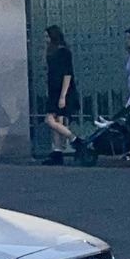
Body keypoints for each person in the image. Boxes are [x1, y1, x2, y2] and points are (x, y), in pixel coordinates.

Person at [41, 24, 79, 165]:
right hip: (53, 90)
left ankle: (74, 139)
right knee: (57, 122)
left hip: (63, 91)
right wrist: (45, 49)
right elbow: (44, 66)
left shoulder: (64, 52)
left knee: (49, 120)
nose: (45, 40)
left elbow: (67, 74)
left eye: (47, 37)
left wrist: (63, 96)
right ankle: (57, 151)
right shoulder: (52, 52)